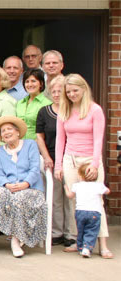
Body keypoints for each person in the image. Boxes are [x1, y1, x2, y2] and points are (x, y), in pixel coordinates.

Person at [55, 74, 113, 259]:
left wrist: (95, 164)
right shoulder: (64, 110)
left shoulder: (95, 110)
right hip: (70, 159)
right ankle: (78, 240)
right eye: (68, 91)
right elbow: (60, 140)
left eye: (75, 91)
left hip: (89, 159)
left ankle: (102, 244)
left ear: (84, 89)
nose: (72, 94)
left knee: (96, 202)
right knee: (75, 202)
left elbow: (98, 139)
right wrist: (58, 165)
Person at [0, 116, 47, 258]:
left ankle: (15, 240)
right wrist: (7, 184)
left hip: (31, 188)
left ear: (17, 132)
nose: (6, 132)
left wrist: (25, 183)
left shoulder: (30, 145)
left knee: (19, 198)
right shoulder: (0, 152)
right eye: (3, 131)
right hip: (10, 187)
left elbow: (35, 168)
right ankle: (14, 233)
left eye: (9, 129)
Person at [36, 76, 73, 247]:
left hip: (71, 158)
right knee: (55, 197)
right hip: (51, 157)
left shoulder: (73, 110)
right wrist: (46, 157)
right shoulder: (44, 111)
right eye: (54, 91)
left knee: (71, 197)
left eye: (60, 91)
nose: (57, 94)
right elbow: (39, 136)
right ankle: (56, 232)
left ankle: (71, 233)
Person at [64, 163, 110, 258]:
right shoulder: (98, 185)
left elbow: (70, 196)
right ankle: (86, 249)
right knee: (91, 231)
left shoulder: (77, 185)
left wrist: (65, 188)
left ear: (80, 176)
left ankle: (80, 247)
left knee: (81, 230)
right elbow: (107, 191)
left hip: (80, 212)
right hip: (94, 213)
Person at [16, 68, 52, 140]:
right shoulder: (20, 103)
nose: (30, 84)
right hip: (20, 145)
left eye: (33, 81)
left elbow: (48, 130)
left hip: (38, 146)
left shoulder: (47, 103)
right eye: (27, 81)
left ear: (41, 83)